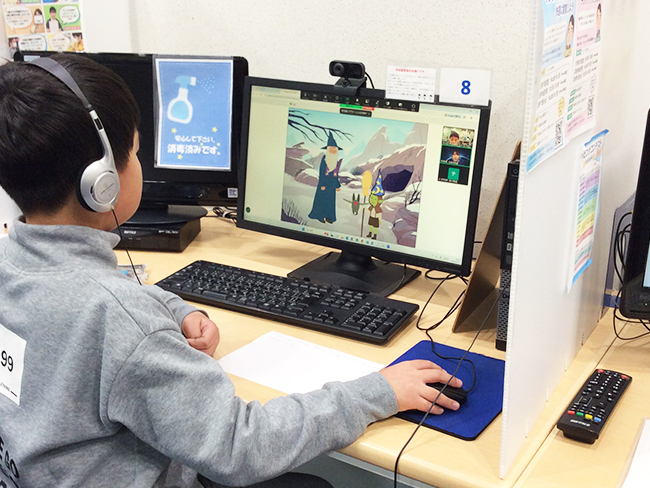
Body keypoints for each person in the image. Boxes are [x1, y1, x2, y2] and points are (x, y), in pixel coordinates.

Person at [0, 54, 462, 488]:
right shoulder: (121, 321)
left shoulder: (15, 264)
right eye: (136, 152)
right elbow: (239, 446)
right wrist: (377, 392)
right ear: (101, 183)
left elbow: (108, 306)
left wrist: (177, 311)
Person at [308, 132, 342, 224]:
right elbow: (322, 173)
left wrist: (337, 185)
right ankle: (320, 216)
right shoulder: (324, 159)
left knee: (330, 201)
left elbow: (336, 174)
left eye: (334, 149)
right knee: (322, 200)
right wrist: (322, 184)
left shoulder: (335, 160)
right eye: (331, 149)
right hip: (324, 183)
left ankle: (329, 217)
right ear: (328, 150)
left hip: (332, 185)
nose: (333, 151)